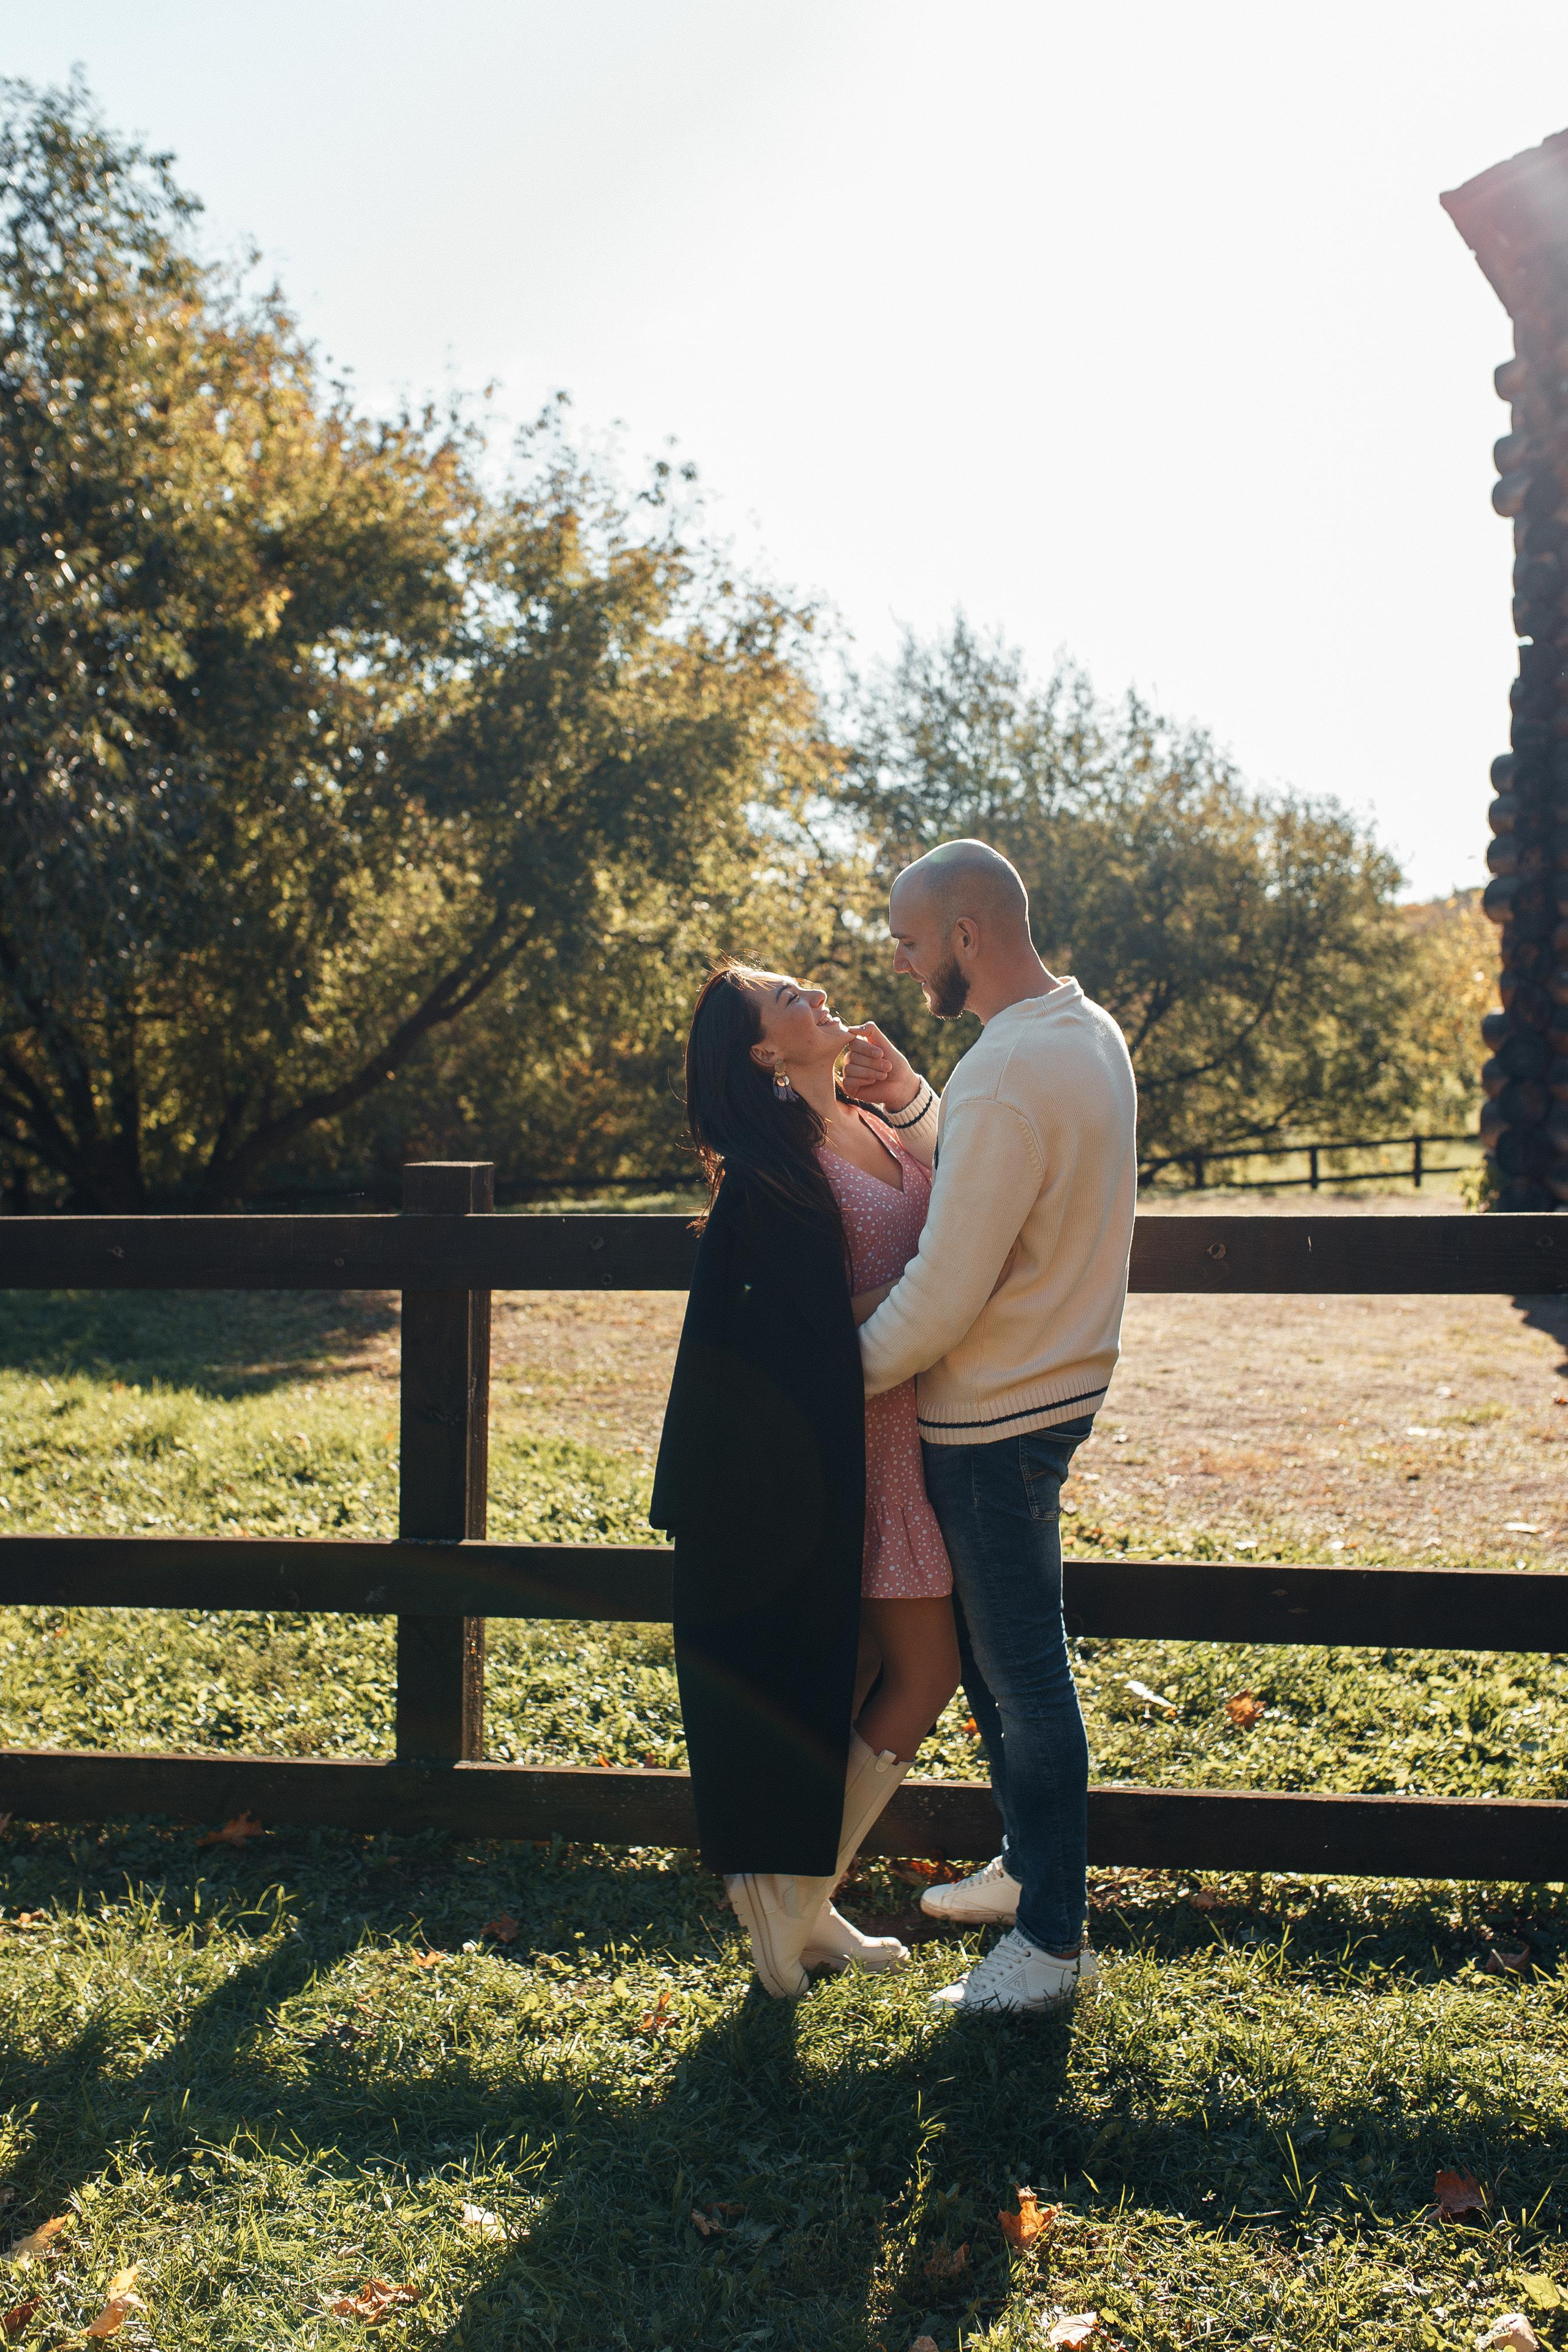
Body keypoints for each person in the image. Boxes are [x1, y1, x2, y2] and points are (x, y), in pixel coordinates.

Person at [842, 838, 1137, 2016]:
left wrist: (831, 1383)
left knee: (1021, 1677)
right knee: (1010, 1662)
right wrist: (916, 1101)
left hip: (995, 1415)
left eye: (913, 943)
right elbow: (991, 1171)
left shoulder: (1014, 1072)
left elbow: (941, 1292)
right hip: (1049, 1391)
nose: (904, 962)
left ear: (967, 936)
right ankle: (1027, 1870)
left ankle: (1051, 1945)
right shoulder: (1077, 1032)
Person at [650, 959, 961, 1997]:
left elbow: (973, 1187)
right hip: (850, 1451)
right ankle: (790, 1900)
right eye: (788, 998)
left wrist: (912, 1094)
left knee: (868, 1678)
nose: (815, 991)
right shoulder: (773, 1172)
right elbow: (788, 1329)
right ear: (764, 1054)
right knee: (923, 1675)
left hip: (917, 1436)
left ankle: (802, 1907)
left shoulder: (873, 1124)